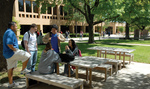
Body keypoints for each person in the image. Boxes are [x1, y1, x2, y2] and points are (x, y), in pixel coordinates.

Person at [3, 22, 31, 88]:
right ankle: (23, 69)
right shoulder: (10, 32)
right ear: (12, 27)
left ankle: (10, 84)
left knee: (10, 69)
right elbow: (9, 44)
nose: (16, 28)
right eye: (16, 26)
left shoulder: (6, 32)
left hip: (7, 55)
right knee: (27, 55)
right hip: (12, 52)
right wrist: (14, 49)